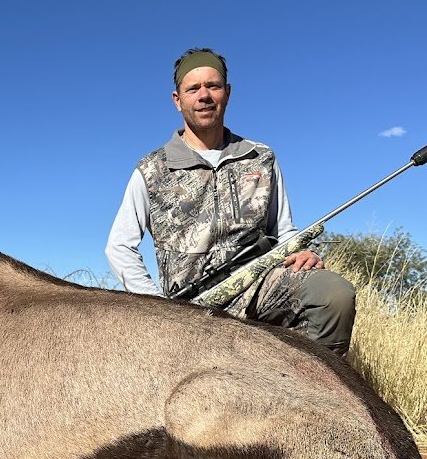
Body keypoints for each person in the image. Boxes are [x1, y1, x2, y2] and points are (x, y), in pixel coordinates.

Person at [105, 47, 356, 356]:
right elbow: (119, 246)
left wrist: (301, 252)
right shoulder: (152, 168)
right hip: (189, 307)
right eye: (193, 88)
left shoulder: (260, 157)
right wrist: (156, 307)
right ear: (177, 99)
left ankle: (314, 393)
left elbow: (284, 229)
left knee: (334, 295)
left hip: (259, 286)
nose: (204, 95)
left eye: (213, 85)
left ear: (227, 92)